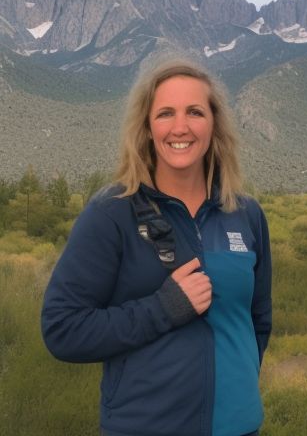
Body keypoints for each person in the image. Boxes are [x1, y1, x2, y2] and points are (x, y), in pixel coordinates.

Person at [41, 59, 272, 436]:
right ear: (147, 129)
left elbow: (258, 320)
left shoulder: (245, 214)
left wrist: (237, 389)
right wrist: (163, 309)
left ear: (214, 126)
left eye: (194, 112)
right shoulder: (112, 212)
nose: (180, 127)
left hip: (241, 428)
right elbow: (62, 329)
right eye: (165, 113)